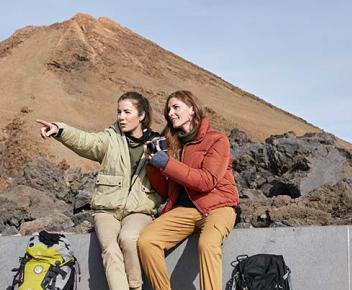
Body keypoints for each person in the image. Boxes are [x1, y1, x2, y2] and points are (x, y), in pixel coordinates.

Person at [37, 92, 161, 290]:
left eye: (127, 112)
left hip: (139, 209)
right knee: (110, 250)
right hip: (106, 209)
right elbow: (86, 141)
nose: (121, 117)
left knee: (129, 240)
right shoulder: (109, 138)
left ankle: (135, 287)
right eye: (119, 112)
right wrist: (60, 130)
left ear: (142, 115)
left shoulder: (157, 142)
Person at [137, 90, 239, 290]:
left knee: (207, 245)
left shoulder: (217, 140)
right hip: (184, 210)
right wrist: (152, 164)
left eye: (176, 107)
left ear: (192, 109)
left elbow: (207, 181)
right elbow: (166, 190)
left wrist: (167, 164)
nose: (171, 113)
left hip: (218, 206)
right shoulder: (172, 142)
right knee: (146, 242)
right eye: (168, 109)